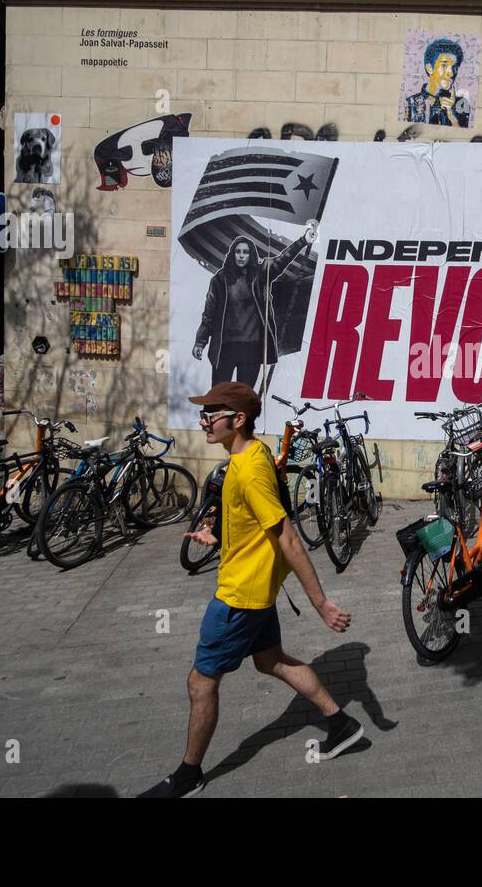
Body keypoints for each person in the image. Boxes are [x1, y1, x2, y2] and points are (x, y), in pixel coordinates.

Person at [139, 381, 362, 798]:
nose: (204, 420)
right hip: (257, 591)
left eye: (212, 413)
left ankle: (188, 776)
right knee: (270, 661)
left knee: (201, 682)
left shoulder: (248, 468)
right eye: (204, 413)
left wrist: (321, 604)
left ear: (238, 420)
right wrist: (220, 534)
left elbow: (288, 537)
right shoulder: (251, 452)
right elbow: (252, 520)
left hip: (238, 597)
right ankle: (342, 724)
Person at [193, 235, 311, 389]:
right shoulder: (220, 280)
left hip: (252, 348)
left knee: (244, 398)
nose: (242, 255)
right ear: (232, 254)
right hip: (225, 348)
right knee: (219, 397)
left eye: (246, 252)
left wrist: (304, 240)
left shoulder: (260, 274)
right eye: (238, 252)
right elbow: (209, 313)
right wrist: (200, 341)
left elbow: (282, 259)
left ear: (251, 255)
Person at [403, 37, 471, 127]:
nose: (451, 73)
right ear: (430, 68)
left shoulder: (461, 104)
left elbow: (465, 138)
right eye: (444, 65)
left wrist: (452, 116)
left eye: (455, 67)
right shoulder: (410, 103)